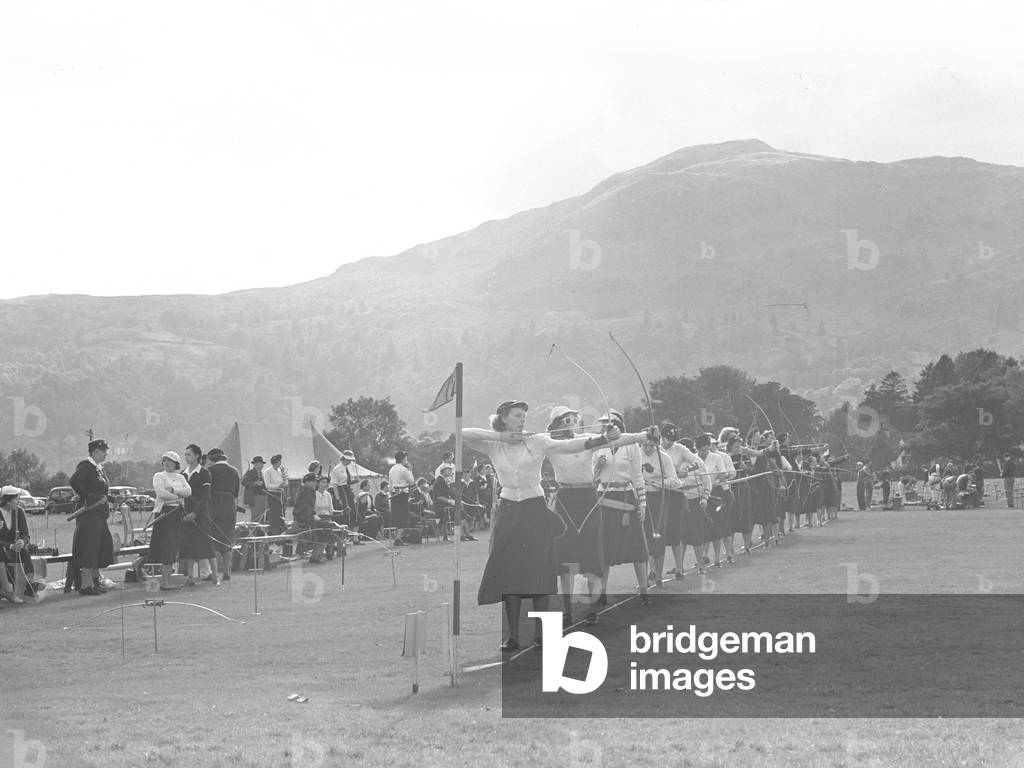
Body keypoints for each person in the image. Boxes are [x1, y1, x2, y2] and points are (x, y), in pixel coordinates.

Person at [463, 400, 619, 651]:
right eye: (517, 416)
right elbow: (464, 434)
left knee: (540, 570)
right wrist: (503, 436)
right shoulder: (493, 444)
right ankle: (512, 636)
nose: (522, 420)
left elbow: (570, 444)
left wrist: (603, 439)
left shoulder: (536, 440)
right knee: (509, 574)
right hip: (509, 510)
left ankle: (542, 634)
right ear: (503, 417)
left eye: (524, 416)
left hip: (535, 509)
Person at [592, 409, 654, 606]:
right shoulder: (597, 446)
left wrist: (642, 504)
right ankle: (602, 591)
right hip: (604, 497)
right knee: (603, 548)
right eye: (603, 424)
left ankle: (644, 590)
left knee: (636, 548)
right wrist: (597, 468)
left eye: (609, 424)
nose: (606, 428)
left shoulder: (631, 445)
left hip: (626, 497)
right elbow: (592, 478)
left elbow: (637, 476)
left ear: (619, 426)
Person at [67, 438, 116, 595]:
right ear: (94, 452)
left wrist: (113, 499)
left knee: (100, 546)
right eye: (103, 451)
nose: (106, 454)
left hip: (99, 513)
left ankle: (94, 582)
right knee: (89, 547)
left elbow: (101, 493)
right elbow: (74, 481)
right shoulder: (86, 466)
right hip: (88, 514)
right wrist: (88, 497)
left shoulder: (98, 468)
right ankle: (85, 586)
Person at [148, 451, 191, 590]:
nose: (167, 463)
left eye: (170, 461)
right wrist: (178, 497)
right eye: (165, 460)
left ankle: (166, 581)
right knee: (163, 547)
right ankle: (161, 582)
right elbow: (161, 494)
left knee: (172, 547)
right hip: (164, 514)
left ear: (176, 463)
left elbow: (188, 492)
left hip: (176, 514)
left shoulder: (180, 477)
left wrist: (173, 489)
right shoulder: (159, 476)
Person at [180, 445, 217, 587]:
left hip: (201, 513)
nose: (186, 457)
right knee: (190, 548)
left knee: (206, 546)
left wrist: (195, 513)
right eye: (185, 454)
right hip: (186, 513)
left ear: (197, 456)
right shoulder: (183, 474)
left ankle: (214, 575)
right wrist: (186, 513)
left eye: (189, 454)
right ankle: (192, 577)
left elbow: (205, 495)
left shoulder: (204, 473)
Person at [207, 448, 240, 581]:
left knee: (213, 538)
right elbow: (236, 492)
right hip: (230, 504)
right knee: (228, 538)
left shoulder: (210, 471)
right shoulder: (234, 471)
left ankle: (214, 572)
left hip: (214, 505)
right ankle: (227, 570)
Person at [0, 486, 32, 603]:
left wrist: (22, 542)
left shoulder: (20, 512)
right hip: (3, 548)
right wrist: (9, 546)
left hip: (17, 547)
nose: (18, 501)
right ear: (7, 501)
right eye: (15, 499)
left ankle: (29, 586)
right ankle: (9, 589)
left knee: (23, 552)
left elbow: (25, 533)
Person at [292, 473, 331, 563]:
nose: (315, 484)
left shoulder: (301, 489)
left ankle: (315, 554)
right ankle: (315, 556)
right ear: (309, 482)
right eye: (314, 482)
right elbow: (307, 508)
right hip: (305, 521)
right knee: (326, 531)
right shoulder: (309, 490)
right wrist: (314, 517)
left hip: (300, 519)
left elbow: (305, 507)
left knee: (324, 529)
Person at [388, 451, 416, 531]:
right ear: (403, 459)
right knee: (403, 517)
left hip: (394, 493)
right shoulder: (404, 469)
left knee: (397, 516)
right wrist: (410, 470)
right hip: (402, 494)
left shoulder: (392, 469)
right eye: (405, 458)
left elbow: (390, 484)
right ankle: (400, 538)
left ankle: (398, 536)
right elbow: (411, 482)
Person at [263, 455, 288, 535]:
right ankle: (274, 532)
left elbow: (285, 483)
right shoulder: (268, 471)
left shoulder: (280, 471)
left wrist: (284, 475)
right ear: (275, 462)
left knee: (281, 513)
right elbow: (267, 485)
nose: (280, 464)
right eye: (278, 462)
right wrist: (277, 486)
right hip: (272, 494)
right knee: (274, 514)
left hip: (280, 494)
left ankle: (281, 530)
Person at [241, 456, 268, 524]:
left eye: (262, 464)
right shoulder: (251, 472)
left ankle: (260, 532)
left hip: (263, 496)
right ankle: (254, 532)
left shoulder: (261, 473)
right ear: (255, 464)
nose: (262, 465)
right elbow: (244, 482)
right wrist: (255, 483)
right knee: (256, 516)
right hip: (255, 497)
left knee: (261, 516)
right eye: (260, 463)